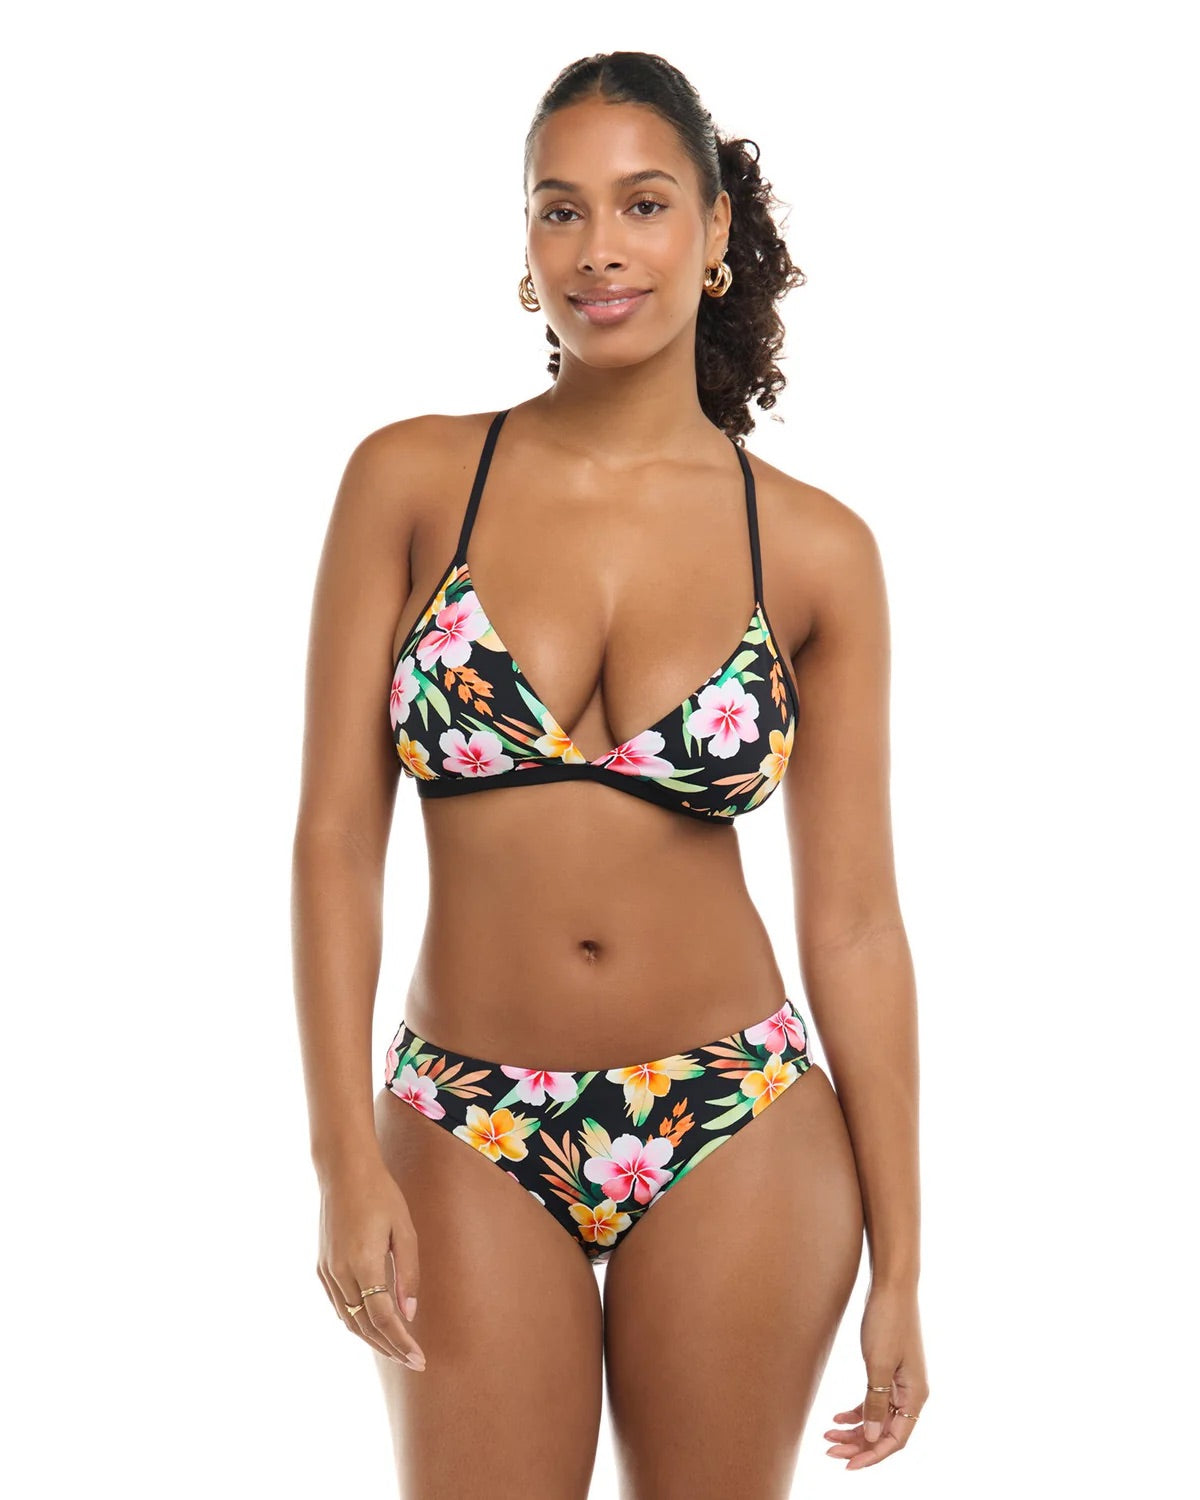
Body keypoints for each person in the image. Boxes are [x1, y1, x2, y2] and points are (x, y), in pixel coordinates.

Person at [291, 49, 928, 1497]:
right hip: (462, 1115)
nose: (599, 249)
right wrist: (340, 1158)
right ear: (525, 242)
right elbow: (332, 839)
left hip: (736, 1116)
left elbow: (855, 923)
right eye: (559, 209)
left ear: (714, 232)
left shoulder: (816, 550)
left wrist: (903, 1264)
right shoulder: (411, 481)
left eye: (643, 204)